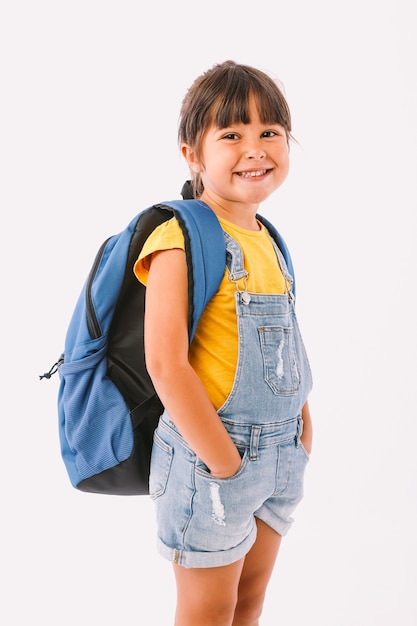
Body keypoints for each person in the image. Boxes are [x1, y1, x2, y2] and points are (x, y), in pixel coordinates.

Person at [134, 60, 313, 626]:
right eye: (231, 134)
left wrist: (304, 426)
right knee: (208, 612)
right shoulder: (179, 234)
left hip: (282, 455)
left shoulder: (268, 237)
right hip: (211, 458)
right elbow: (164, 363)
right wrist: (223, 462)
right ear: (193, 152)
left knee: (249, 601)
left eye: (270, 133)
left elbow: (286, 341)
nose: (255, 148)